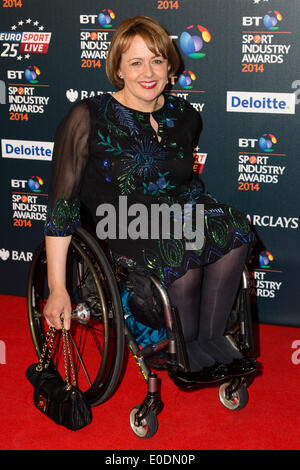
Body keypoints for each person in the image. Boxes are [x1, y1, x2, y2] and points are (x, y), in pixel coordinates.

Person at [43, 15, 257, 384]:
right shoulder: (88, 116)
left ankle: (209, 338)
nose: (149, 71)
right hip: (120, 218)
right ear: (119, 69)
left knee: (235, 226)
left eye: (157, 60)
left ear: (170, 67)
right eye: (136, 61)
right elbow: (62, 205)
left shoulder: (184, 116)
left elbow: (182, 182)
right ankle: (182, 346)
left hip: (179, 210)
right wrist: (58, 288)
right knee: (178, 248)